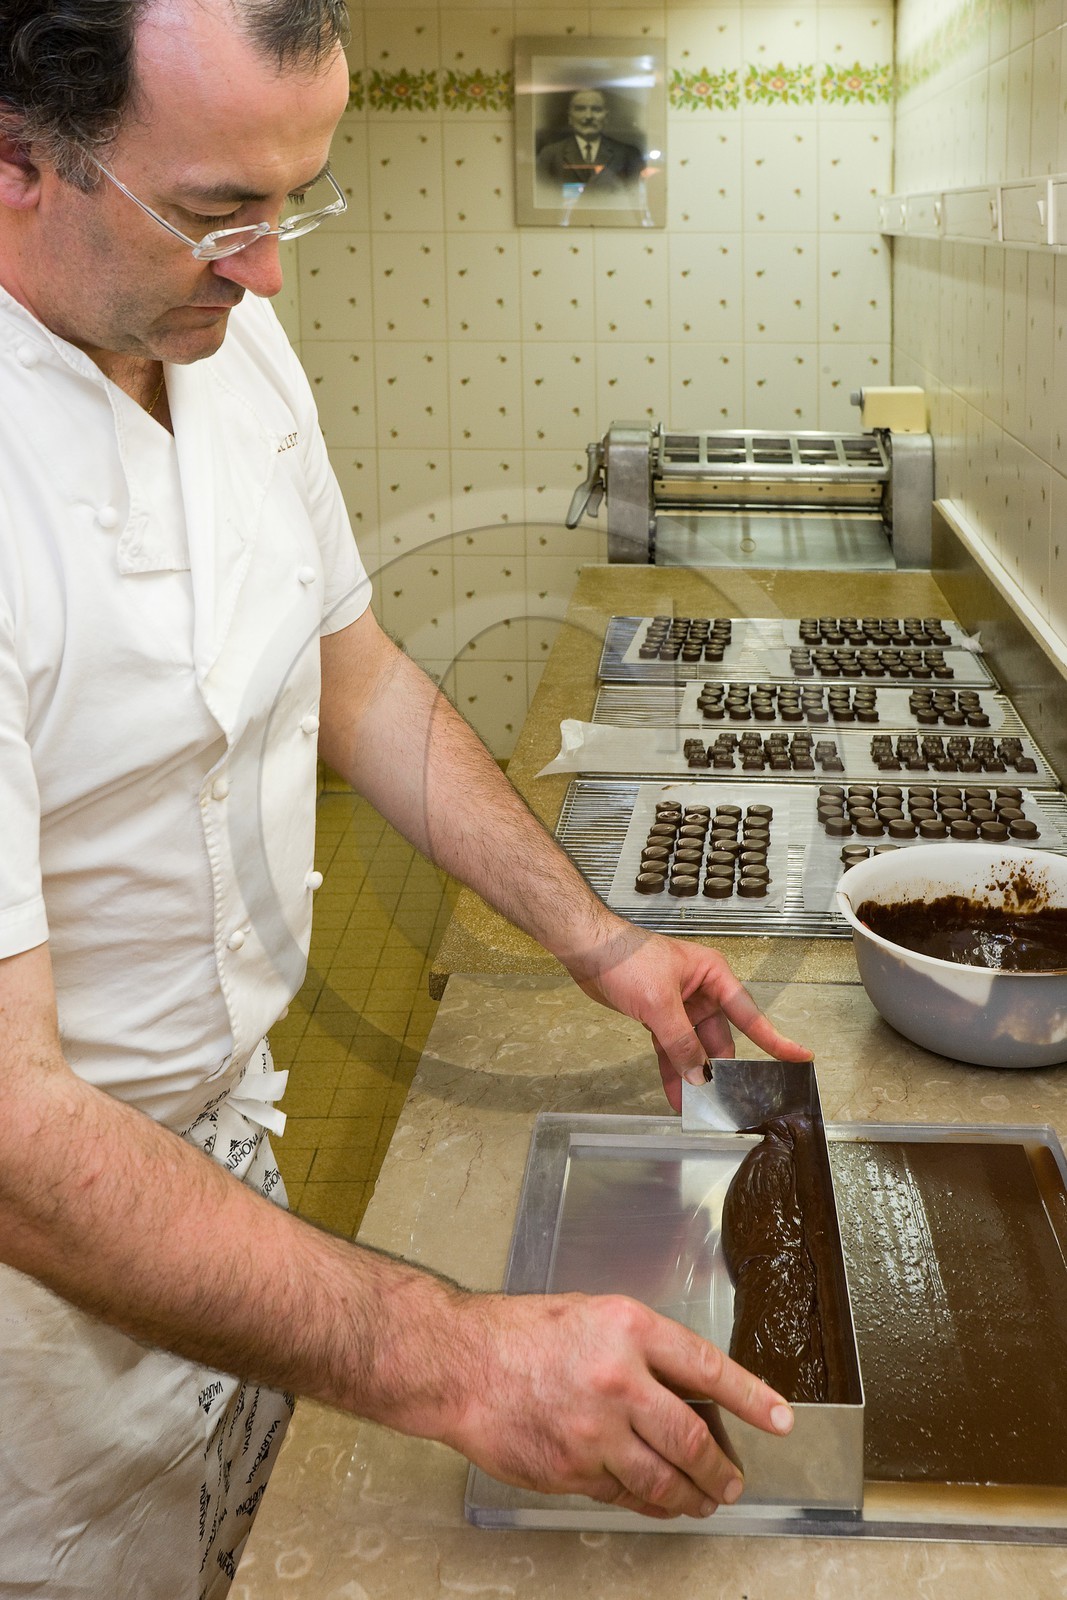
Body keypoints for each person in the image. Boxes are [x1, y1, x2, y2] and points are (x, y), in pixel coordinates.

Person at [0, 2, 811, 1595]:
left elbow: (353, 674)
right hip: (40, 1286)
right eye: (222, 212)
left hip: (223, 1168)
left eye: (297, 200)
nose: (274, 268)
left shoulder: (221, 334)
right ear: (20, 162)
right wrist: (456, 1360)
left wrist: (601, 943)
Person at [536, 87, 645, 198]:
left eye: (596, 109)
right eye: (580, 109)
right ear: (570, 117)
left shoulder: (628, 155)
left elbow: (635, 199)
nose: (588, 116)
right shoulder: (550, 155)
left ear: (606, 116)